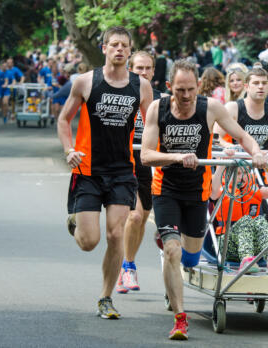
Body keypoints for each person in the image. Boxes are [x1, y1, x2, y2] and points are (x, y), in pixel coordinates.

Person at [140, 59, 266, 340]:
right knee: (172, 251)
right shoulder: (156, 109)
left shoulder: (210, 108)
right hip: (166, 189)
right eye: (180, 90)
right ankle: (180, 318)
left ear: (198, 86)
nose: (185, 97)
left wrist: (257, 152)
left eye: (191, 90)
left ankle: (172, 248)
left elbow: (242, 136)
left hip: (197, 192)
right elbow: (145, 155)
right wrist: (176, 157)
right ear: (170, 87)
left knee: (190, 258)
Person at [57, 26, 153, 320]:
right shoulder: (86, 82)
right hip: (88, 171)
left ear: (130, 49)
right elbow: (64, 119)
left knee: (115, 235)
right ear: (105, 48)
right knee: (89, 242)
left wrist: (155, 153)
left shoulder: (141, 86)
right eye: (114, 45)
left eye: (125, 45)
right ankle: (76, 219)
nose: (120, 50)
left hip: (123, 170)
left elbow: (152, 125)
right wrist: (68, 149)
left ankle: (106, 298)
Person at [116, 51, 164, 294]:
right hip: (124, 160)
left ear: (153, 71)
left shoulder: (161, 101)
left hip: (148, 161)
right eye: (138, 68)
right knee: (134, 216)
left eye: (147, 68)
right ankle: (127, 267)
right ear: (130, 69)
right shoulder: (121, 96)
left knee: (143, 216)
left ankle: (128, 262)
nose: (143, 73)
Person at [210, 166, 268, 274]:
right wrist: (221, 166)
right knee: (246, 220)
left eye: (245, 173)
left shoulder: (254, 189)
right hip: (226, 244)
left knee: (259, 219)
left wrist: (267, 167)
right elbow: (213, 194)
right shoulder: (220, 189)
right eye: (238, 173)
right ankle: (246, 260)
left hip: (254, 247)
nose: (242, 177)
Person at [218, 67, 268, 150]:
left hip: (262, 160)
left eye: (264, 83)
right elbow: (216, 138)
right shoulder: (232, 108)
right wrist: (231, 147)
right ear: (246, 87)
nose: (261, 86)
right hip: (238, 160)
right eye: (256, 83)